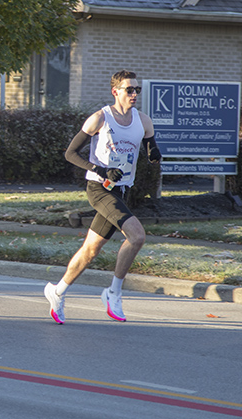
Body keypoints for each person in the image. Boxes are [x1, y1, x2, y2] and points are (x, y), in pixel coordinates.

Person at [44, 69, 161, 324]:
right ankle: (113, 292)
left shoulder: (143, 121)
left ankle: (57, 291)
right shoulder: (100, 118)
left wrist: (155, 155)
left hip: (122, 191)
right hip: (99, 188)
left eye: (137, 90)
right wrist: (100, 169)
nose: (134, 94)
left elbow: (151, 148)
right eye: (129, 89)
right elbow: (71, 153)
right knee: (137, 236)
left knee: (90, 250)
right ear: (115, 91)